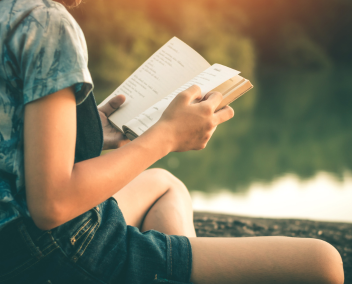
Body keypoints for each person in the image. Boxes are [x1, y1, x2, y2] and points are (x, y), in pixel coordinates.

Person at [0, 0, 344, 283]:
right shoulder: (45, 21)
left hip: (12, 238)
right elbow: (52, 205)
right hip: (54, 251)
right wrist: (165, 137)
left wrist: (86, 130)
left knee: (164, 184)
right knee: (324, 263)